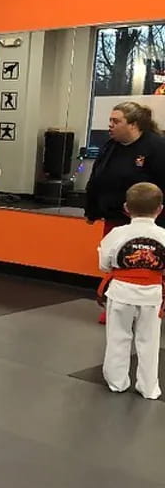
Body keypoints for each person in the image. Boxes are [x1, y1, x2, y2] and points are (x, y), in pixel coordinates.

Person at [85, 102, 165, 323]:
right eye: (110, 121)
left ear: (134, 124)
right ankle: (115, 305)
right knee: (116, 262)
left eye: (116, 121)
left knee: (148, 263)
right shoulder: (109, 147)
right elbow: (96, 179)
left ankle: (155, 306)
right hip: (116, 217)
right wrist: (91, 210)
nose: (110, 125)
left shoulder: (157, 148)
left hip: (150, 220)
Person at [97, 182, 165, 400]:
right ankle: (148, 387)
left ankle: (117, 382)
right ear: (160, 209)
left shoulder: (117, 234)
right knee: (149, 342)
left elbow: (104, 265)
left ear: (126, 208)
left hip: (121, 293)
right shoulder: (163, 235)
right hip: (153, 295)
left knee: (118, 337)